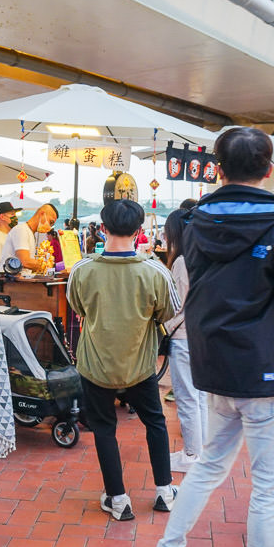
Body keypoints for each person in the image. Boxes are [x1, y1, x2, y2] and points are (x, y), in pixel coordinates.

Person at [147, 127, 274, 547]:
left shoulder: (193, 224)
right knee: (271, 488)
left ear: (219, 170)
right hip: (268, 369)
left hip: (215, 366)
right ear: (269, 169)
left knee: (208, 465)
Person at [67, 199, 179, 522]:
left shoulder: (82, 270)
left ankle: (117, 500)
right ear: (140, 232)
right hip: (140, 367)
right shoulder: (155, 271)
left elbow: (79, 308)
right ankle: (164, 490)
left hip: (95, 367)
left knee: (104, 429)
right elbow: (169, 311)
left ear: (102, 229)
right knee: (155, 423)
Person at [160, 209, 206, 471]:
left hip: (183, 336)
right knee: (199, 397)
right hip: (201, 335)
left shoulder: (181, 262)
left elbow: (177, 305)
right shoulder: (203, 257)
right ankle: (200, 451)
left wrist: (162, 323)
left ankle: (191, 455)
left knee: (187, 398)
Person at [0, 204, 58, 270]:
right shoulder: (22, 230)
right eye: (50, 222)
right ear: (42, 214)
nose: (49, 227)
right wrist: (51, 265)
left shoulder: (30, 233)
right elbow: (25, 262)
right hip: (9, 279)